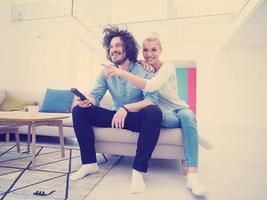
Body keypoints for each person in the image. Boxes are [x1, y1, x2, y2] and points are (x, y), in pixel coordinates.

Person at [104, 33, 209, 196]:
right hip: (163, 112)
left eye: (154, 50)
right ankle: (193, 132)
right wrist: (138, 64)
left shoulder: (167, 67)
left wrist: (123, 73)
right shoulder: (144, 67)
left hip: (178, 108)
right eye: (146, 50)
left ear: (161, 50)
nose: (149, 54)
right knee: (159, 118)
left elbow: (151, 86)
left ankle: (192, 175)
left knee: (187, 116)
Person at [70, 27, 162, 194]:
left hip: (137, 118)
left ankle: (138, 172)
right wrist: (87, 101)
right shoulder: (106, 71)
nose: (114, 50)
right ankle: (89, 163)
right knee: (79, 110)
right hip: (116, 117)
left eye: (118, 45)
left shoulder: (143, 69)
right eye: (111, 47)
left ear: (127, 47)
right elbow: (95, 94)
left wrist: (126, 109)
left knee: (154, 113)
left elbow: (151, 100)